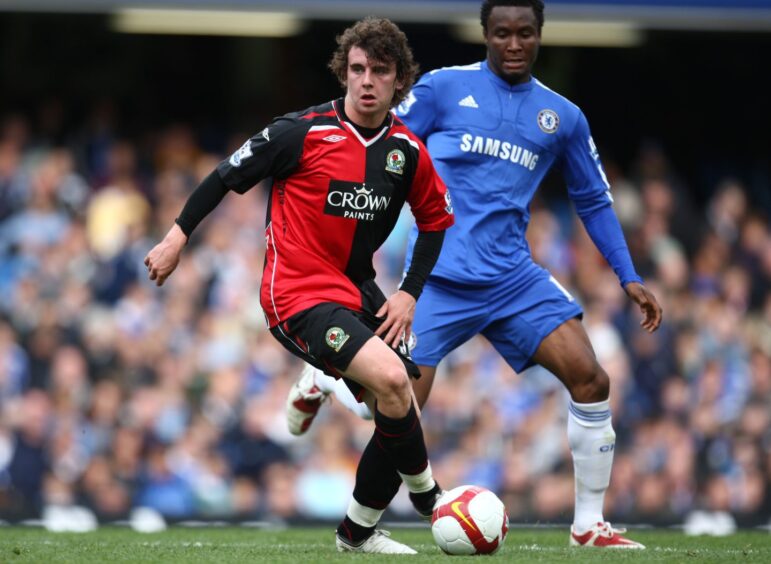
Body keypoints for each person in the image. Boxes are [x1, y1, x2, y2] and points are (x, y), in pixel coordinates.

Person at [285, 0, 663, 549]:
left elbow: (593, 199)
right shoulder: (442, 89)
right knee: (400, 411)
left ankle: (587, 526)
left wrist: (627, 275)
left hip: (512, 278)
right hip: (437, 279)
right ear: (485, 34)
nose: (514, 44)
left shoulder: (562, 116)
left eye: (525, 34)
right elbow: (375, 136)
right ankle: (326, 379)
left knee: (591, 378)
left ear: (539, 36)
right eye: (503, 33)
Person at [145, 17, 454, 554]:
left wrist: (407, 294)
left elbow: (435, 221)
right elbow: (226, 174)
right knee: (394, 382)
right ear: (344, 72)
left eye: (379, 71)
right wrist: (177, 237)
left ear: (399, 80)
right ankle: (432, 500)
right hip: (296, 292)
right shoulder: (301, 131)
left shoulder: (407, 152)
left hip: (358, 291)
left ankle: (354, 533)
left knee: (394, 402)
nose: (366, 81)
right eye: (357, 69)